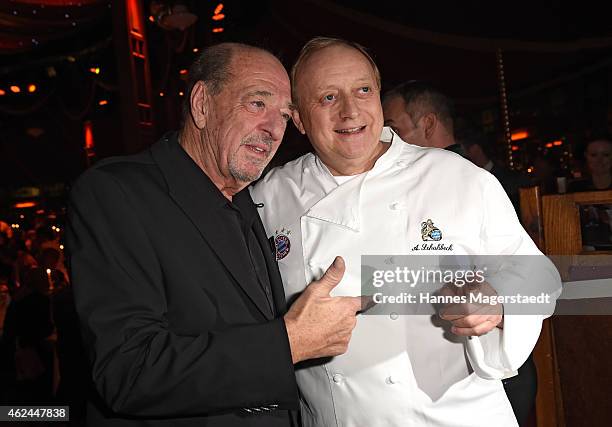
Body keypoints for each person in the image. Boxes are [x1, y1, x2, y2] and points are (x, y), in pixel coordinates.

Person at [251, 37, 560, 427]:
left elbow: (541, 276)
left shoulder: (456, 177)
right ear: (297, 117)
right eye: (328, 98)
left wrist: (497, 301)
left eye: (363, 90)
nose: (351, 111)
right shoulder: (267, 197)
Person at [66, 42, 362, 427]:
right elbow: (129, 371)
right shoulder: (116, 192)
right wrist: (289, 343)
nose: (273, 129)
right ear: (202, 104)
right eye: (257, 104)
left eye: (284, 116)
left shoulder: (247, 201)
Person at [382, 80, 464, 156]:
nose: (383, 139)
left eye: (394, 130)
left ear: (429, 124)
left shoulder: (446, 170)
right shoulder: (463, 168)